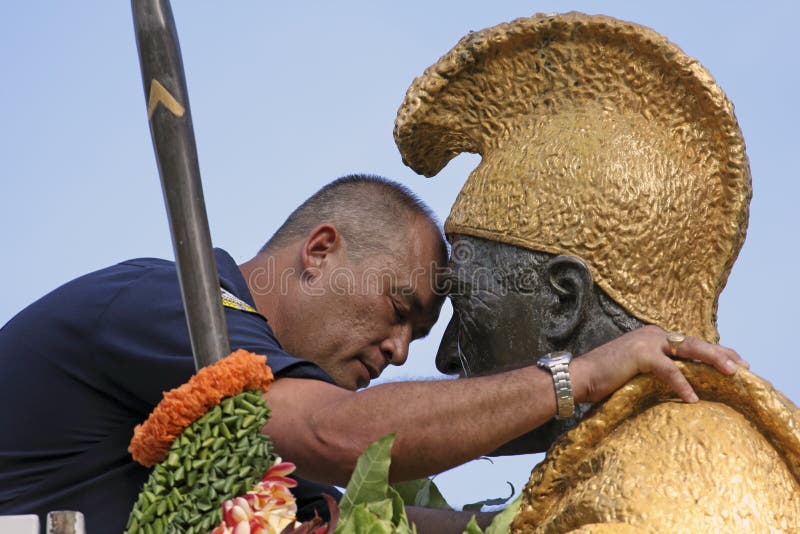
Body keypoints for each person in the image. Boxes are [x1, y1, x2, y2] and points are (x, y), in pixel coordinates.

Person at [0, 175, 744, 533]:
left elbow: (382, 521)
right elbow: (343, 437)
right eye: (399, 311)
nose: (397, 351)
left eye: (415, 341)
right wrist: (577, 375)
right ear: (322, 251)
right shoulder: (170, 306)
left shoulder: (266, 460)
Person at [394, 12, 800, 531]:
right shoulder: (624, 463)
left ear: (564, 301)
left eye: (468, 307)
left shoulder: (688, 468)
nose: (447, 356)